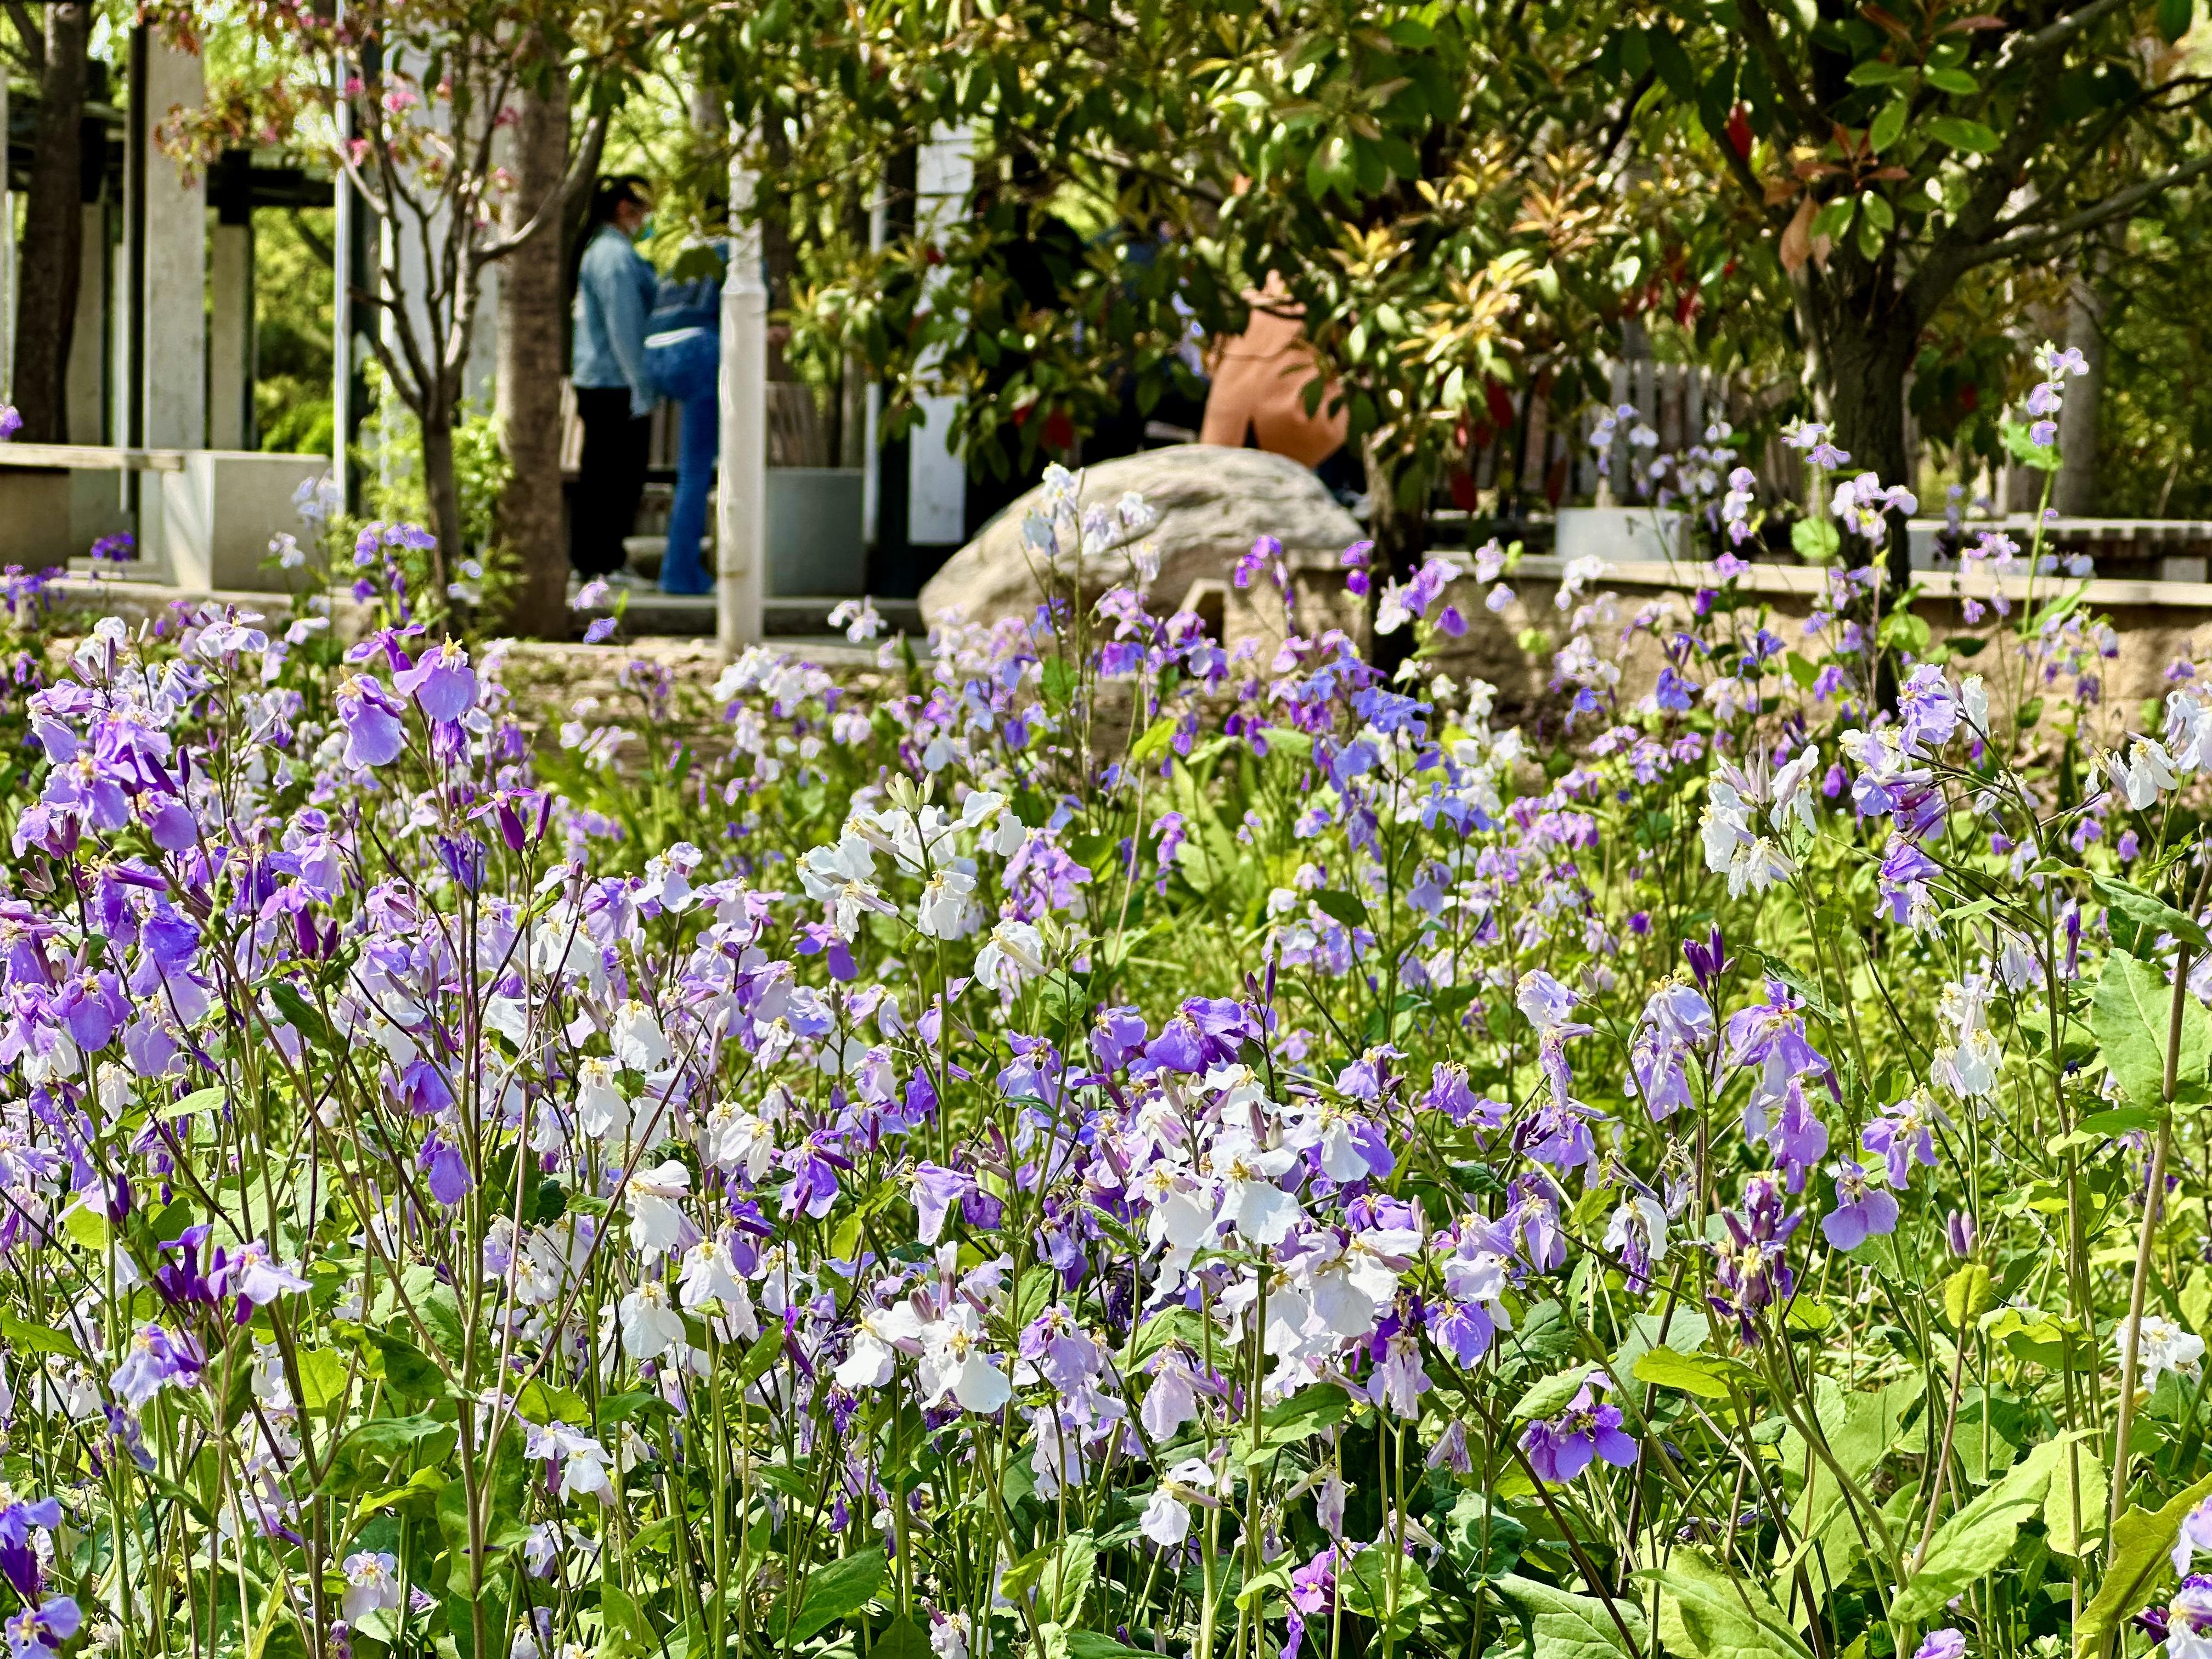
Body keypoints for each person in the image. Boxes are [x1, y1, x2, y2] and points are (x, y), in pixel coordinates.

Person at [570, 175, 659, 580]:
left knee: (601, 476)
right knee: (616, 479)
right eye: (642, 211)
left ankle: (595, 560)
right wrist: (640, 384)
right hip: (614, 383)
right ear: (624, 209)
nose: (646, 220)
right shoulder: (615, 257)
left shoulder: (602, 252)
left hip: (600, 380)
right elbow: (625, 326)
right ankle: (601, 561)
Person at [643, 247, 726, 595]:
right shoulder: (743, 250)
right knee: (696, 471)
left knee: (689, 471)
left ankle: (687, 569)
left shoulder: (681, 251)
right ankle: (679, 572)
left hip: (654, 352)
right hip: (697, 350)